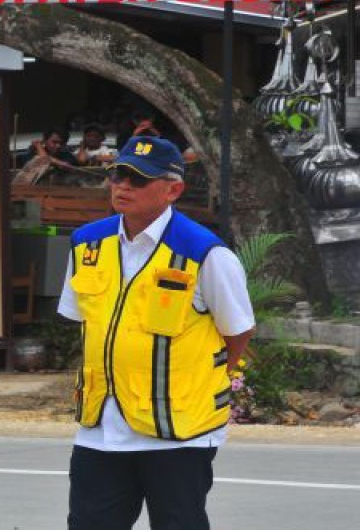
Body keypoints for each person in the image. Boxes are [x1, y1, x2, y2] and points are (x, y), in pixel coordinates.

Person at [60, 137, 255, 530]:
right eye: (118, 175)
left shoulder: (205, 252)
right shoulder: (87, 244)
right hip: (101, 427)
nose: (123, 185)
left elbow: (238, 332)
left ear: (173, 190)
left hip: (179, 431)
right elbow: (83, 321)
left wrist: (198, 382)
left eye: (138, 178)